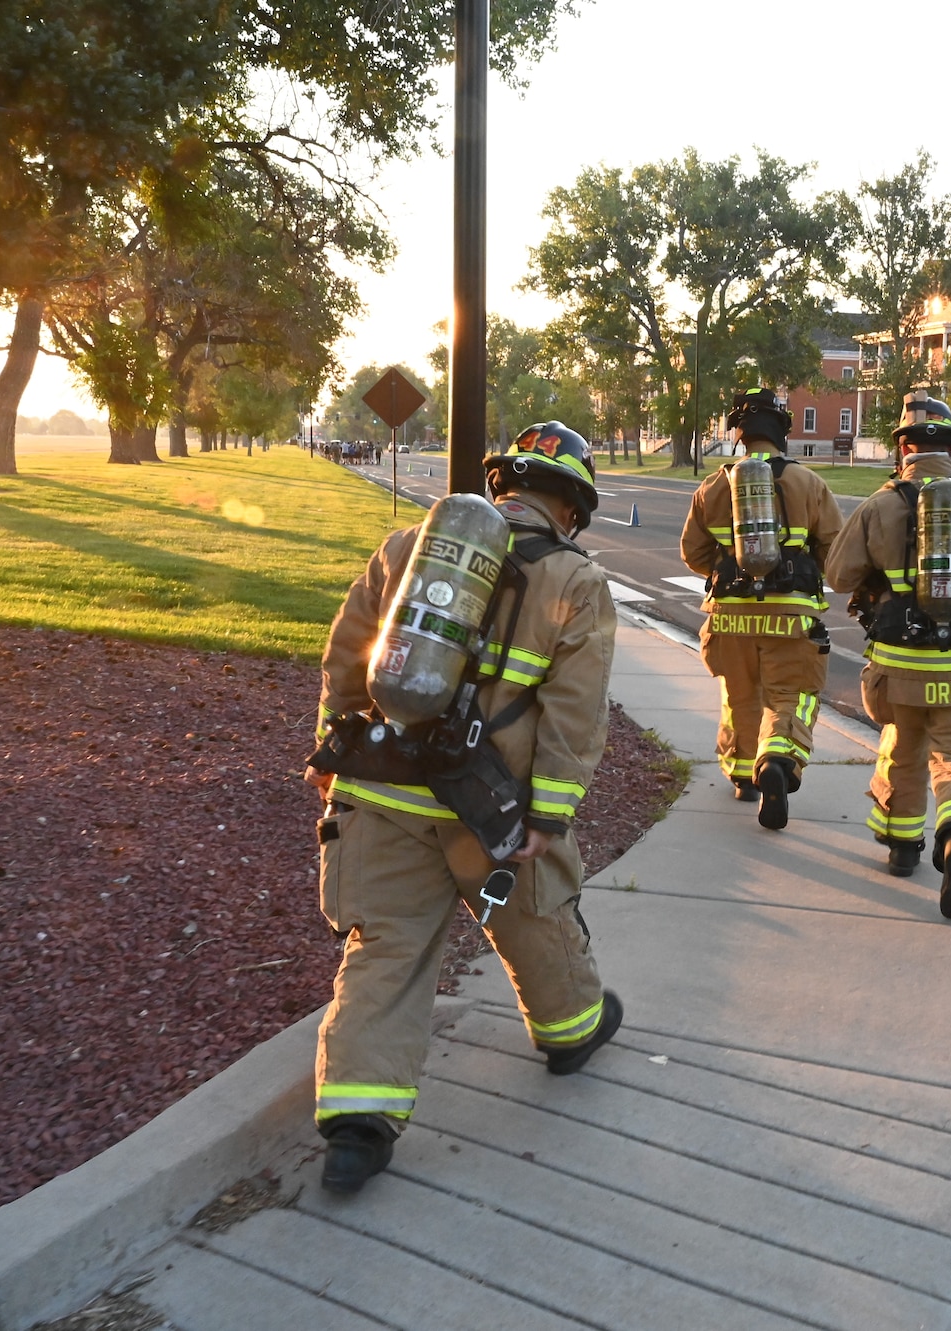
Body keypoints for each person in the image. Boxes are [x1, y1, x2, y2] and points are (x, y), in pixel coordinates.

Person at [306, 421, 622, 1193]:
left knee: (386, 946)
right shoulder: (576, 583)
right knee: (534, 920)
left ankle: (357, 1123)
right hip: (492, 809)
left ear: (499, 484)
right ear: (572, 506)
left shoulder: (406, 550)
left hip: (380, 789)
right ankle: (572, 1031)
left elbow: (348, 658)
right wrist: (547, 818)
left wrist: (328, 751)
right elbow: (574, 715)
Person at [826, 395, 951, 918]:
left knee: (902, 746)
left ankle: (901, 847)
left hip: (899, 664)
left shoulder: (881, 503)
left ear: (904, 448)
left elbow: (837, 576)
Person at [679, 388, 844, 830]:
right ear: (783, 431)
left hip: (729, 616)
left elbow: (693, 554)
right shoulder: (808, 483)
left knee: (740, 695)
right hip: (791, 616)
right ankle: (777, 758)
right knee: (791, 695)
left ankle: (742, 776)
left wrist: (728, 562)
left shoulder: (715, 486)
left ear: (739, 433)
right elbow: (836, 553)